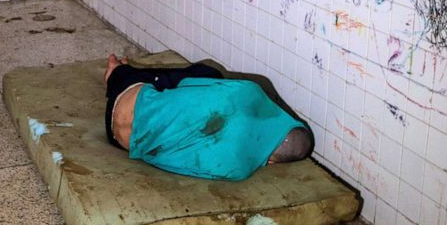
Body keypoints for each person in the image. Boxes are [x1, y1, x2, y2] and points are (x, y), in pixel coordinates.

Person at [104, 54, 313, 181]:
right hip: (119, 137)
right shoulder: (239, 170)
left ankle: (117, 72)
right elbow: (178, 165)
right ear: (272, 161)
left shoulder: (248, 91)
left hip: (129, 94)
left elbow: (185, 86)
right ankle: (122, 74)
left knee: (207, 71)